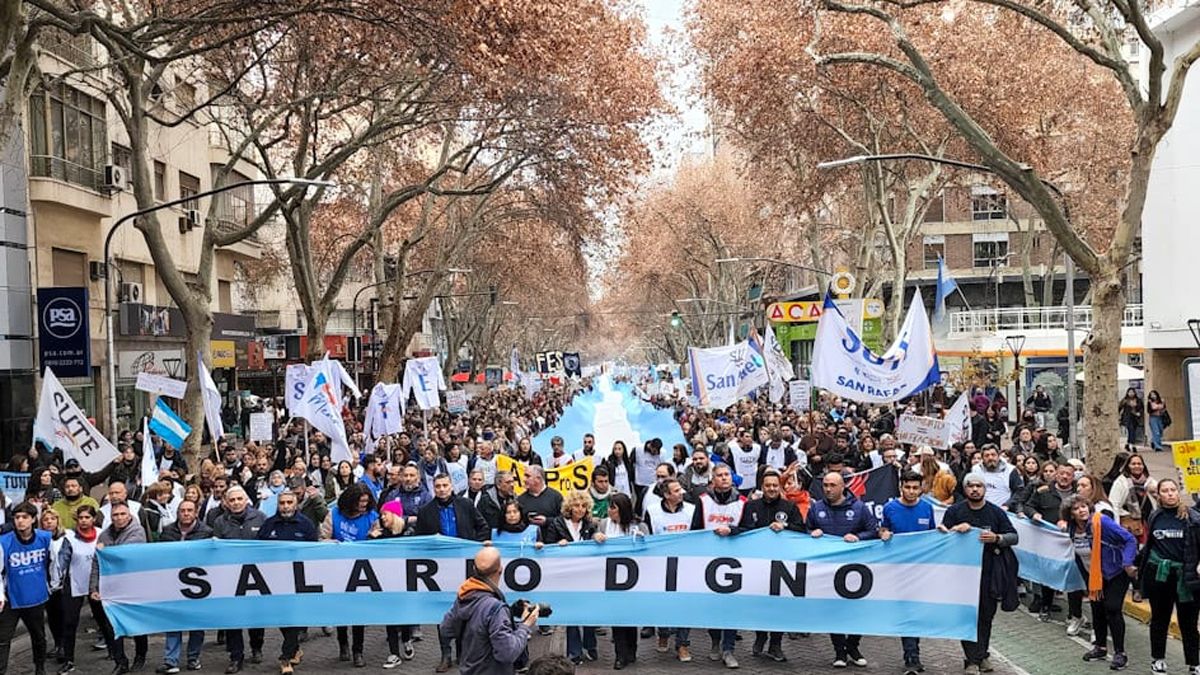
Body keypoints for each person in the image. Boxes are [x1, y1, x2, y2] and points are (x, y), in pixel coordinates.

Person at [940, 472, 1020, 675]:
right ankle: (972, 659)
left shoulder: (996, 513)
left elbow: (1013, 536)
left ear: (984, 489)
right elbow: (942, 536)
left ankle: (982, 655)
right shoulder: (955, 511)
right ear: (964, 489)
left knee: (986, 615)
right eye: (970, 486)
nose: (975, 489)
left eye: (979, 486)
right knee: (967, 616)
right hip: (962, 573)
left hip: (990, 572)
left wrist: (997, 537)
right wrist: (954, 530)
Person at [417, 474, 491, 672]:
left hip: (464, 566)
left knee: (464, 608)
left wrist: (475, 548)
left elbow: (483, 526)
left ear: (451, 486)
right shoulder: (425, 511)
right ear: (434, 488)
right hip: (438, 569)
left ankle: (462, 653)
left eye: (445, 485)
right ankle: (445, 654)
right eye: (438, 486)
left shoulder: (465, 505)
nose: (442, 489)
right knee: (441, 611)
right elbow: (420, 541)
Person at [807, 470, 879, 668]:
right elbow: (805, 531)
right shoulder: (816, 508)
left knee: (857, 610)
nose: (828, 489)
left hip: (855, 568)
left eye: (832, 486)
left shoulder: (859, 508)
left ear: (842, 487)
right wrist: (812, 532)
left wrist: (859, 538)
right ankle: (839, 651)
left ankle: (853, 647)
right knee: (834, 611)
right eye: (825, 486)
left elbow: (873, 530)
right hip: (828, 570)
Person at [1063, 494, 1136, 669]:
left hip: (1115, 573)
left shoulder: (1101, 521)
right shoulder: (1072, 529)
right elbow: (1077, 555)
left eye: (1083, 506)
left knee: (1112, 609)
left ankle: (1120, 653)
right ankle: (1101, 647)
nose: (1081, 511)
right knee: (1097, 610)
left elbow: (1129, 539)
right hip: (1093, 577)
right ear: (1070, 514)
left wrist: (1127, 562)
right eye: (1076, 508)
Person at [738, 469, 804, 663]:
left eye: (775, 485)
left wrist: (786, 527)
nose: (772, 488)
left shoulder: (790, 507)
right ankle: (760, 637)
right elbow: (744, 530)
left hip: (783, 565)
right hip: (758, 565)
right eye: (768, 485)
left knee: (780, 607)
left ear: (780, 486)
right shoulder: (751, 506)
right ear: (762, 487)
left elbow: (802, 529)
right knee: (760, 604)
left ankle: (776, 644)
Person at [439, 547, 538, 675]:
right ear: (500, 570)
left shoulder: (464, 596)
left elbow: (445, 630)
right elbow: (507, 653)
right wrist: (525, 626)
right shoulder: (495, 609)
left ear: (474, 569)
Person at [1137, 477, 1200, 674]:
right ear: (1159, 495)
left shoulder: (1192, 517)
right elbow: (1150, 546)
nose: (1170, 493)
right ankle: (1158, 659)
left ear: (1178, 492)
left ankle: (1194, 663)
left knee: (1188, 623)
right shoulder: (1155, 516)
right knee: (1159, 619)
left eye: (1173, 490)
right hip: (1160, 576)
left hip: (1186, 577)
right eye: (1165, 490)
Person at [880, 471, 936, 675]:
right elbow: (882, 530)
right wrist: (883, 533)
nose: (911, 492)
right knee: (904, 613)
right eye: (907, 487)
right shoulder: (890, 508)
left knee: (914, 613)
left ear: (921, 488)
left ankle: (913, 654)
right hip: (897, 570)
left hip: (919, 571)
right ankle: (911, 655)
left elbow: (932, 536)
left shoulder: (927, 508)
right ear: (901, 487)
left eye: (915, 488)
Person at [690, 463, 744, 669]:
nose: (724, 478)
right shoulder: (703, 501)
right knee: (712, 607)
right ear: (713, 479)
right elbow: (695, 530)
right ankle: (715, 640)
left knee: (731, 607)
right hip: (708, 563)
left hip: (733, 563)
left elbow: (748, 529)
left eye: (727, 475)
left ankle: (728, 648)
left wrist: (732, 530)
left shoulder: (742, 502)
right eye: (720, 475)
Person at [258, 491, 318, 674]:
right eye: (282, 502)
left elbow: (314, 550)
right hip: (274, 580)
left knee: (293, 617)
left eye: (289, 502)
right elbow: (258, 550)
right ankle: (295, 648)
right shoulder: (269, 525)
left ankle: (285, 658)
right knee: (282, 618)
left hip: (298, 580)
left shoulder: (306, 525)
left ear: (296, 503)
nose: (285, 506)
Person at [209, 486, 266, 673]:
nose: (235, 503)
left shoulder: (260, 517)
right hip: (231, 576)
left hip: (256, 575)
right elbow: (215, 550)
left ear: (246, 500)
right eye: (231, 500)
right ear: (226, 502)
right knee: (233, 618)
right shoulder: (219, 522)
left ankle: (257, 647)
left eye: (239, 499)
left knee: (256, 616)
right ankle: (236, 656)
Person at [89, 501, 149, 675]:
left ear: (129, 514)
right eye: (115, 515)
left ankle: (140, 656)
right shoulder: (105, 535)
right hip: (111, 588)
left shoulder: (138, 531)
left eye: (123, 514)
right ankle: (120, 661)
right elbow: (96, 562)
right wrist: (94, 587)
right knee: (112, 626)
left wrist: (106, 551)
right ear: (111, 517)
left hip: (134, 587)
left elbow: (126, 554)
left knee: (137, 625)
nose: (119, 518)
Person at [322, 483, 377, 667]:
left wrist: (375, 536)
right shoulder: (334, 514)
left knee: (358, 613)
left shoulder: (371, 516)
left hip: (361, 571)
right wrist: (330, 542)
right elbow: (322, 538)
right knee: (341, 611)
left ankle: (358, 650)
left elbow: (378, 539)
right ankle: (343, 643)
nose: (363, 505)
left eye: (366, 502)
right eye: (360, 502)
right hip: (337, 569)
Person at [642, 478, 696, 662]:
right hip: (661, 567)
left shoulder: (691, 510)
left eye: (681, 489)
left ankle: (682, 644)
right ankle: (663, 632)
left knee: (686, 605)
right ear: (666, 495)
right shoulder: (652, 512)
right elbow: (647, 537)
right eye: (676, 490)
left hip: (687, 566)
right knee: (663, 604)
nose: (681, 492)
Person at [592, 493, 646, 670]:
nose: (609, 511)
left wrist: (642, 540)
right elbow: (593, 542)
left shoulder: (639, 526)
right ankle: (620, 655)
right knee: (617, 617)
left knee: (630, 617)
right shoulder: (604, 524)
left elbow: (650, 549)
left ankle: (631, 650)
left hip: (634, 580)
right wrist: (596, 537)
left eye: (613, 508)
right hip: (612, 579)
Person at [158, 498, 212, 674]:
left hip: (198, 585)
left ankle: (193, 657)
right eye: (183, 510)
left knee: (196, 623)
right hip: (173, 583)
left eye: (190, 510)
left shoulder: (206, 532)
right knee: (173, 621)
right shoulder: (167, 531)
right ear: (178, 512)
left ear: (196, 512)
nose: (186, 513)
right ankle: (170, 660)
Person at [546, 491, 598, 665]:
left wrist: (597, 537)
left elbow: (596, 547)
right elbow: (548, 546)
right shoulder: (557, 523)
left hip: (587, 575)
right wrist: (557, 545)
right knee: (571, 614)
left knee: (589, 612)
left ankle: (590, 647)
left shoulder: (590, 524)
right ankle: (574, 652)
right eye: (576, 505)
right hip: (566, 576)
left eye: (584, 506)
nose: (580, 509)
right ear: (569, 507)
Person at [0, 502, 51, 675]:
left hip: (36, 596)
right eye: (17, 517)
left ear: (33, 519)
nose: (20, 521)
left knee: (38, 637)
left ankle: (40, 668)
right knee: (3, 639)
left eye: (25, 517)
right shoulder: (4, 541)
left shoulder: (45, 538)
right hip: (11, 598)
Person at [369, 502, 417, 669]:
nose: (382, 518)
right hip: (387, 582)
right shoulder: (381, 534)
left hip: (405, 580)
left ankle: (406, 639)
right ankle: (394, 653)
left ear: (394, 515)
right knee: (390, 616)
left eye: (385, 514)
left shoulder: (408, 532)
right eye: (381, 515)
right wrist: (370, 539)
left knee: (404, 615)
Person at [1109, 453, 1157, 544]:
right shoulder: (1121, 482)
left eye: (1139, 464)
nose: (1137, 466)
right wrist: (1116, 527)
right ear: (1128, 466)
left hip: (1147, 522)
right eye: (1133, 464)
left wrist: (1154, 493)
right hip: (1128, 524)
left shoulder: (1150, 481)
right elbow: (1114, 504)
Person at [516, 466, 563, 540]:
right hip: (529, 545)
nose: (524, 479)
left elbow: (564, 520)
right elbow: (517, 524)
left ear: (538, 478)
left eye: (527, 476)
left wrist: (547, 521)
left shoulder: (556, 497)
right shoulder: (520, 499)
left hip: (552, 545)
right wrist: (527, 521)